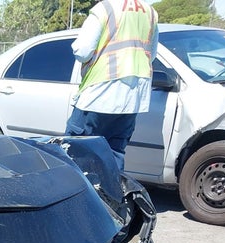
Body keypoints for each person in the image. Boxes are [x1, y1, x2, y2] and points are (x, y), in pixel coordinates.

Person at [64, 0, 159, 171]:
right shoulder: (149, 12)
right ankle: (111, 197)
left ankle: (81, 196)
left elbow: (82, 51)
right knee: (113, 156)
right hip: (132, 98)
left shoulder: (105, 8)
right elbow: (151, 56)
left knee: (76, 153)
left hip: (99, 93)